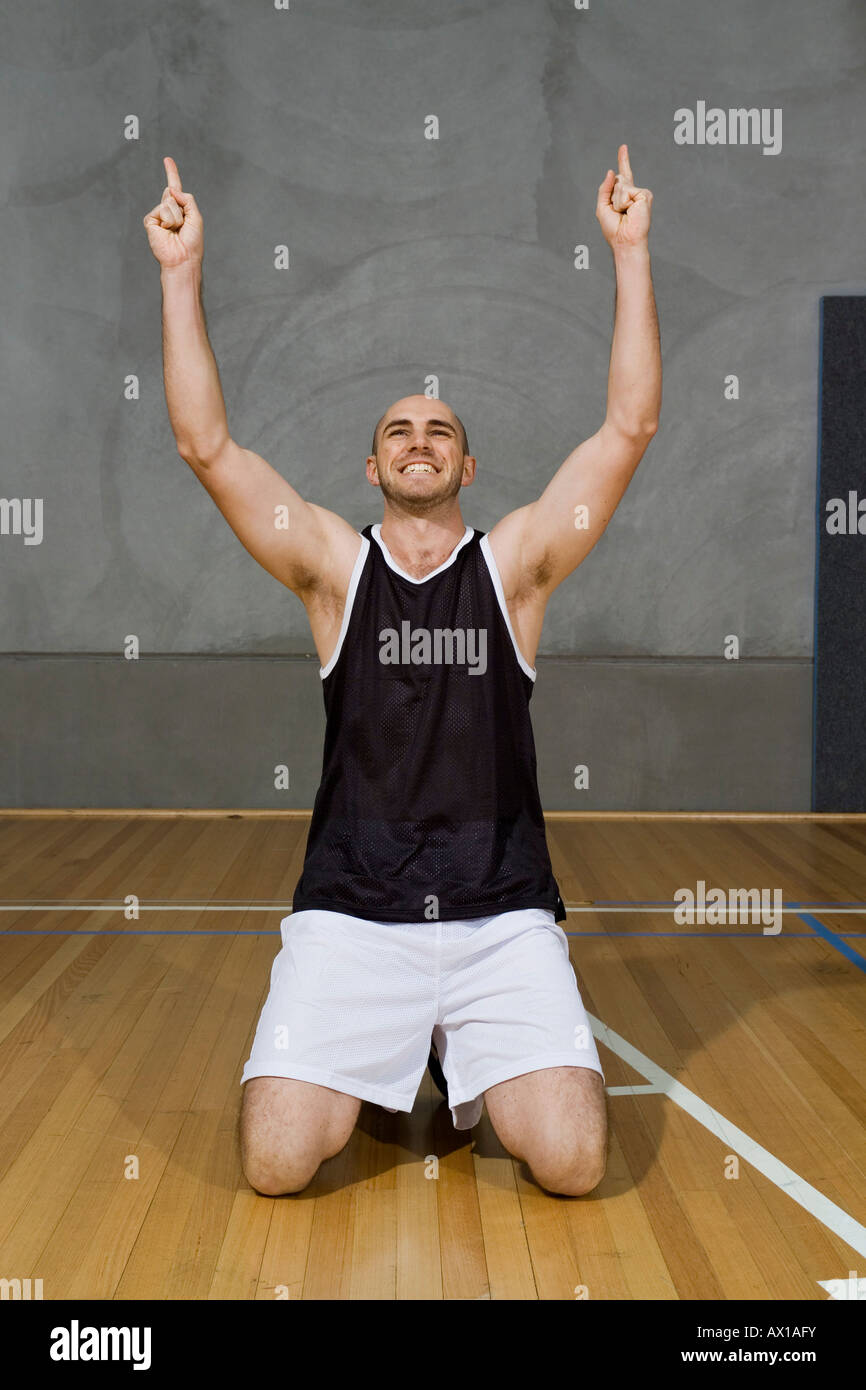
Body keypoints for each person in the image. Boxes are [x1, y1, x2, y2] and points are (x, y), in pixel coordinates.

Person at [143, 145, 660, 1197]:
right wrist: (178, 273)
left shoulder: (513, 570)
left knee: (568, 1163)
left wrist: (630, 252)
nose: (418, 441)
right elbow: (207, 445)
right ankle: (392, 1060)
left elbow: (627, 427)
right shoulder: (333, 570)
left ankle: (445, 1052)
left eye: (438, 431)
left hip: (500, 910)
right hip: (352, 909)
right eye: (397, 433)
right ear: (370, 468)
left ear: (466, 468)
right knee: (278, 1163)